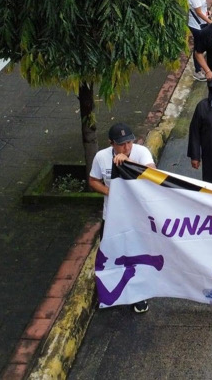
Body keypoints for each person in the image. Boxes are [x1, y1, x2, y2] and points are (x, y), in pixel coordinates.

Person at [89, 122, 155, 313]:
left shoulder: (141, 153)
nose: (127, 148)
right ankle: (110, 294)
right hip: (111, 218)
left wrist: (127, 163)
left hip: (136, 219)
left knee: (136, 257)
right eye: (121, 145)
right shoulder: (101, 157)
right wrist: (110, 192)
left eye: (129, 143)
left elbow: (152, 174)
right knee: (111, 255)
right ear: (112, 144)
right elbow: (93, 181)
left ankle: (139, 296)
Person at [187, 0, 212, 81]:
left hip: (200, 24)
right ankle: (197, 71)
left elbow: (202, 10)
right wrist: (210, 22)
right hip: (198, 26)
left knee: (200, 46)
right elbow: (198, 12)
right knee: (198, 48)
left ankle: (201, 67)